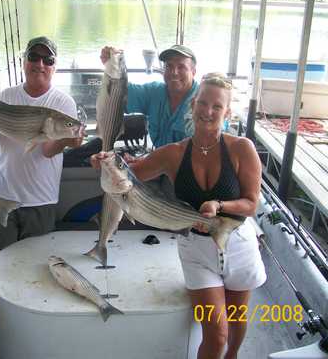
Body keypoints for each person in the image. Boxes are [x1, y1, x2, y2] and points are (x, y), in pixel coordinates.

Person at [91, 73, 266, 359]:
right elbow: (132, 175)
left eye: (217, 107)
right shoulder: (173, 153)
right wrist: (103, 163)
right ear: (193, 104)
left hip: (239, 244)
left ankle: (233, 356)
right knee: (217, 333)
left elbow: (251, 204)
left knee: (235, 322)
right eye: (203, 103)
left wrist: (219, 206)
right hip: (196, 249)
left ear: (227, 112)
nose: (208, 111)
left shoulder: (241, 149)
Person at [0, 36, 84, 271]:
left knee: (35, 268)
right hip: (2, 195)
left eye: (48, 59)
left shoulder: (62, 103)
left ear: (54, 66)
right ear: (24, 61)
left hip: (41, 199)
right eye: (34, 57)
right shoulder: (5, 96)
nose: (40, 64)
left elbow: (47, 151)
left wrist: (66, 139)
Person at [101, 43, 199, 148]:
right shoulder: (155, 92)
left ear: (193, 72)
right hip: (159, 159)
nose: (174, 72)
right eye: (169, 66)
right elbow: (120, 95)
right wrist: (113, 65)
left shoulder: (204, 99)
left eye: (181, 67)